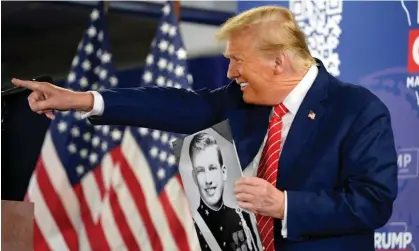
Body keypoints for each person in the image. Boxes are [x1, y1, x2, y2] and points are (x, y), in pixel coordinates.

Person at [11, 5, 398, 251]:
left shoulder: (357, 110)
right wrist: (82, 99)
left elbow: (373, 202)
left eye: (237, 60)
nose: (229, 72)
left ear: (278, 63)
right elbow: (175, 105)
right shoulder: (240, 98)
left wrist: (284, 205)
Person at [188, 132, 260, 251]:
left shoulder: (243, 219)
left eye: (212, 168)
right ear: (194, 177)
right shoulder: (189, 226)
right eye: (200, 171)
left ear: (223, 172)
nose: (208, 180)